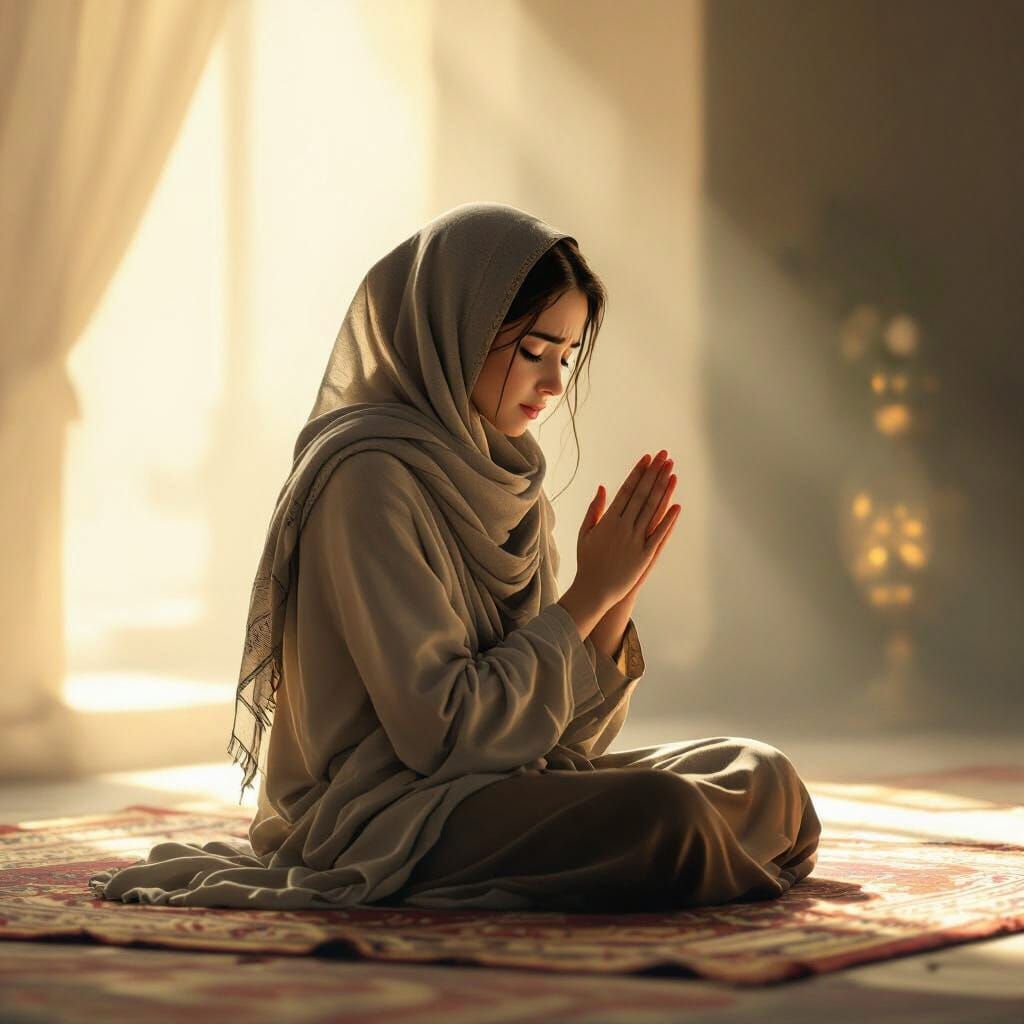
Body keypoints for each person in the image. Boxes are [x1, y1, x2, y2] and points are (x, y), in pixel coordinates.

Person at [88, 202, 821, 913]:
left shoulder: (514, 484)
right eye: (534, 351)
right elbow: (444, 736)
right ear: (458, 330)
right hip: (387, 810)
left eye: (566, 357)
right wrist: (585, 598)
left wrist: (616, 591)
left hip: (492, 785)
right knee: (666, 817)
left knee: (764, 775)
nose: (554, 384)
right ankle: (702, 860)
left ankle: (699, 860)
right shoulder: (367, 479)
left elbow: (558, 740)